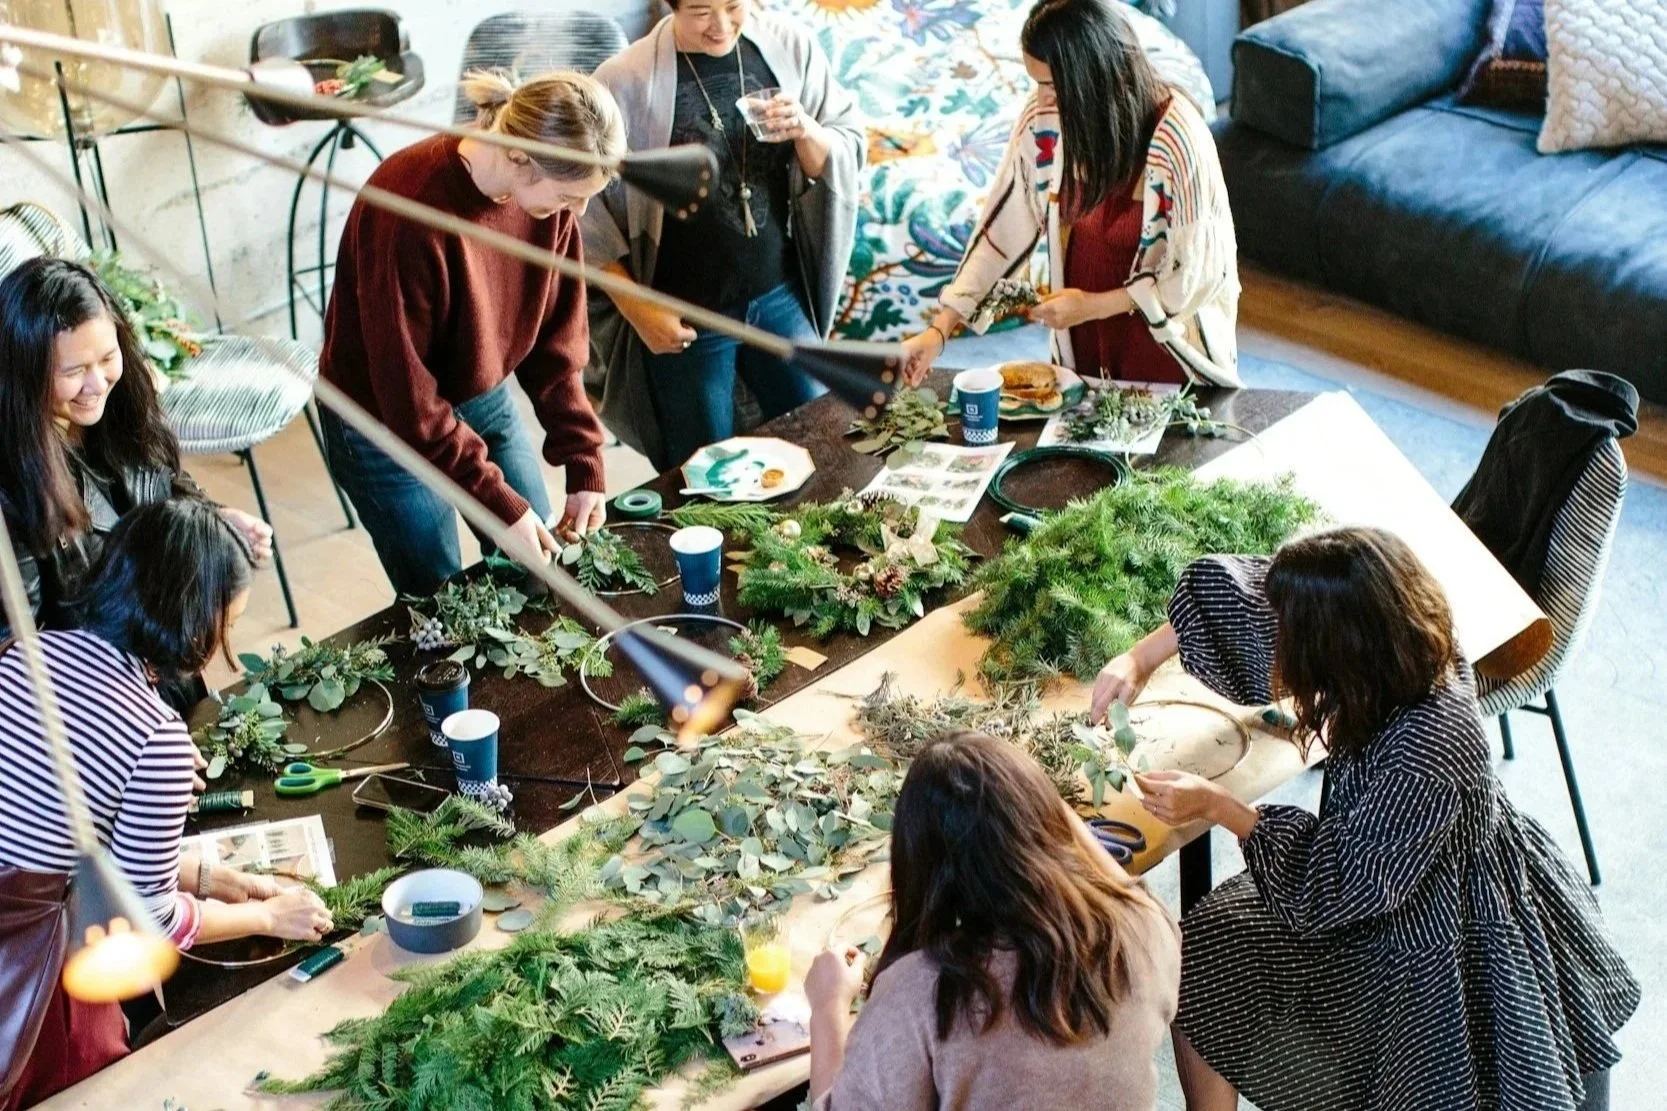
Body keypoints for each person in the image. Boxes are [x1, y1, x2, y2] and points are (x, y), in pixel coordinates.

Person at [1090, 528, 1640, 1111]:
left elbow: (1336, 887)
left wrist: (1221, 807)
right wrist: (1141, 656)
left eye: (1294, 645)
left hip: (1427, 919)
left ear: (1340, 652)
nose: (1278, 651)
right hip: (1380, 857)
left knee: (1219, 967)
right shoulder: (1398, 628)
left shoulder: (1429, 750)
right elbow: (1245, 595)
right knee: (1206, 945)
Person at [0, 499, 332, 1109]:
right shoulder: (155, 736)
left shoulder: (28, 654)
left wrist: (211, 874)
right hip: (41, 980)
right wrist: (269, 917)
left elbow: (64, 830)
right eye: (225, 625)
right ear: (193, 617)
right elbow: (154, 921)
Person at [319, 70, 624, 598]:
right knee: (443, 599)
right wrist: (498, 508)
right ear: (519, 158)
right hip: (380, 425)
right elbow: (410, 404)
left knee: (539, 570)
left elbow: (557, 345)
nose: (579, 213)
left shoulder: (550, 208)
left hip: (477, 389)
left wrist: (584, 457)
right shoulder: (408, 209)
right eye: (570, 196)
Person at [804, 733, 1180, 1110]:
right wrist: (1035, 802)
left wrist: (828, 1008)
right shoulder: (1143, 930)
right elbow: (1127, 891)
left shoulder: (921, 995)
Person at [900, 0, 1240, 388]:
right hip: (1083, 348)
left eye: (1050, 84)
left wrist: (1093, 306)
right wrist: (939, 330)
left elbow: (1194, 278)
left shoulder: (1177, 137)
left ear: (1090, 75)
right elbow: (1002, 228)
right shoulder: (1045, 121)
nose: (1041, 97)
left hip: (1167, 352)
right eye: (1036, 83)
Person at [585, 0, 865, 471]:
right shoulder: (622, 82)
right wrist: (637, 307)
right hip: (686, 313)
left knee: (825, 442)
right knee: (704, 472)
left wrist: (806, 132)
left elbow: (848, 145)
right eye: (699, 11)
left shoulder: (789, 47)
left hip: (778, 293)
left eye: (734, 6)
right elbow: (583, 213)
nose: (720, 26)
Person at [0, 258, 273, 644]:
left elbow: (167, 485)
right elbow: (17, 649)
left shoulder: (124, 407)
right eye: (74, 371)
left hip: (156, 651)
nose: (97, 384)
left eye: (108, 358)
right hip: (90, 685)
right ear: (25, 373)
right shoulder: (12, 486)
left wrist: (207, 522)